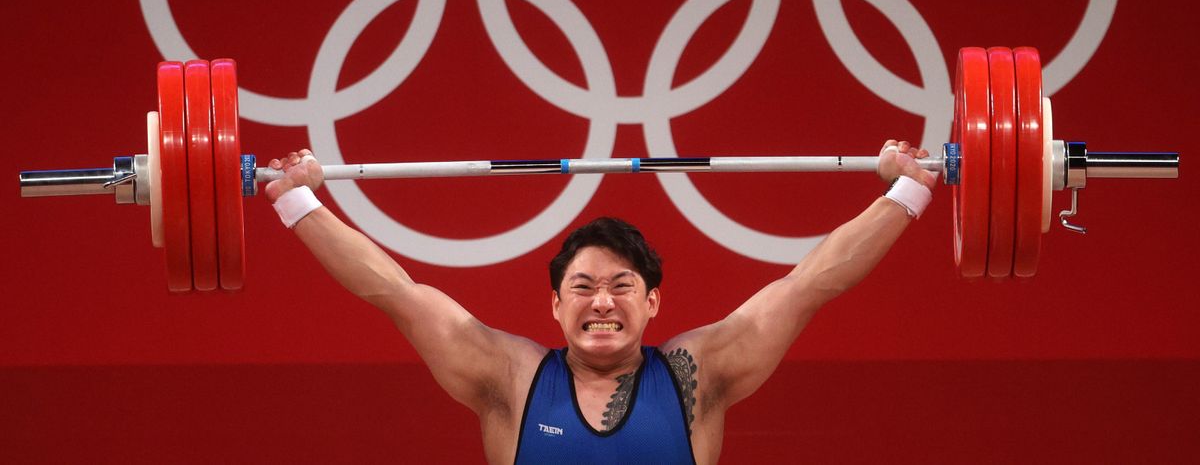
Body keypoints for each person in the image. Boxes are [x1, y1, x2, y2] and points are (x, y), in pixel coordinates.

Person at [265, 140, 937, 464]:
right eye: (583, 287)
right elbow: (397, 294)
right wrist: (298, 197)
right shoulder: (513, 379)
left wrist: (904, 192)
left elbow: (809, 284)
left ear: (653, 303)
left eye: (621, 286)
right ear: (556, 306)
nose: (602, 302)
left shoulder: (693, 377)